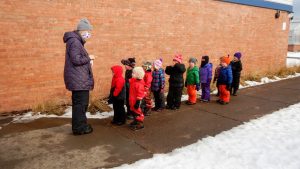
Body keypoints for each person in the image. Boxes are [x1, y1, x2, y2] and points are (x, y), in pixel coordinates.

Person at [63, 18, 94, 135]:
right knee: (81, 105)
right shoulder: (75, 42)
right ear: (82, 30)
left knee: (80, 104)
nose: (89, 34)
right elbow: (76, 60)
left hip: (79, 79)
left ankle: (81, 125)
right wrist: (89, 58)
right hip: (79, 80)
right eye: (88, 31)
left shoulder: (75, 41)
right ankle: (79, 128)